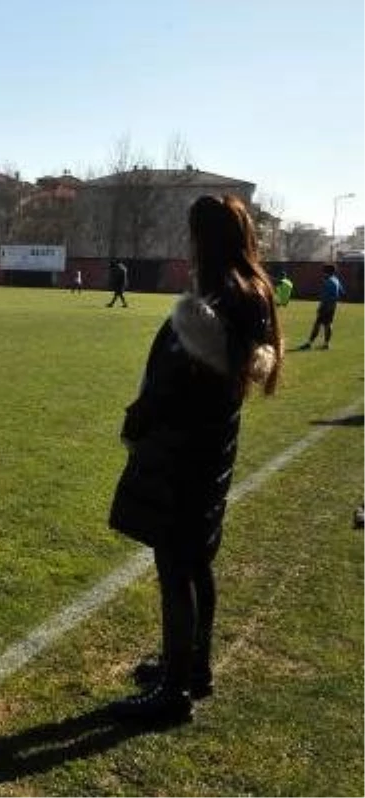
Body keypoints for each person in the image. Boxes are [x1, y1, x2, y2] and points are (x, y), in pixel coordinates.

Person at [107, 195, 282, 725]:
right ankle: (191, 668)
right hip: (214, 443)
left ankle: (174, 690)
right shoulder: (254, 290)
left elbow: (179, 380)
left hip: (186, 448)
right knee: (196, 560)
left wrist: (141, 415)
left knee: (175, 563)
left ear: (203, 237)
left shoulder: (218, 297)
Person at [296, 263, 346, 350]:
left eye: (324, 272)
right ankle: (326, 344)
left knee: (317, 324)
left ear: (327, 272)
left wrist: (322, 306)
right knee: (328, 324)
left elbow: (325, 296)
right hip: (333, 306)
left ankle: (309, 343)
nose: (323, 273)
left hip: (326, 306)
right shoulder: (336, 280)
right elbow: (342, 292)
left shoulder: (328, 281)